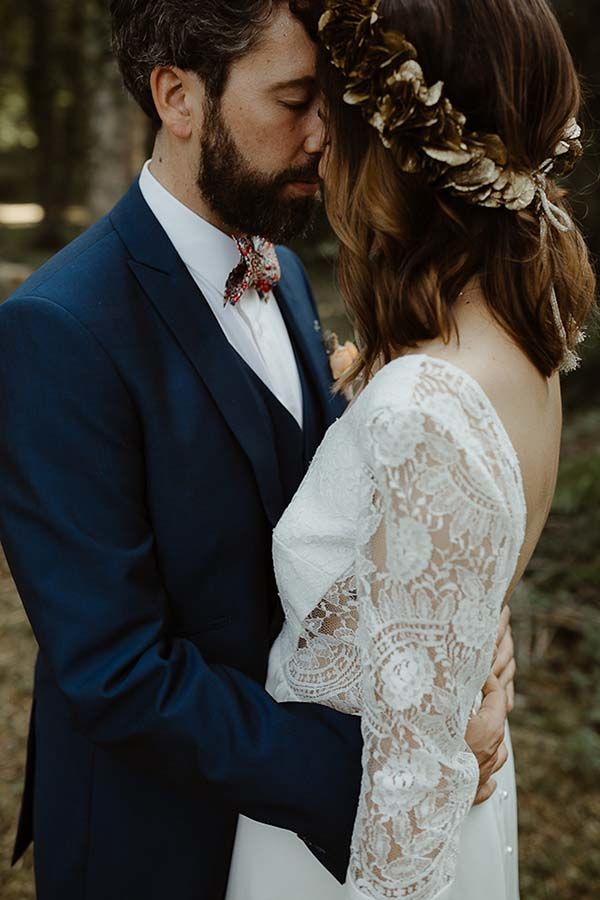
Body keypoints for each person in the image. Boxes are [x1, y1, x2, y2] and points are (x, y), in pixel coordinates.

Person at [0, 3, 514, 899]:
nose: (324, 137)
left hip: (280, 848)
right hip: (155, 838)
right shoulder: (56, 330)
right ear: (179, 98)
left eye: (334, 106)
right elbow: (116, 671)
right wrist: (378, 770)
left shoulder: (285, 274)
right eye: (293, 101)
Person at [224, 0, 596, 899]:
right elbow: (450, 599)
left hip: (351, 857)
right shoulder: (517, 339)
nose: (317, 141)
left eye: (336, 116)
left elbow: (411, 788)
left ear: (391, 146)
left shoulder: (424, 406)